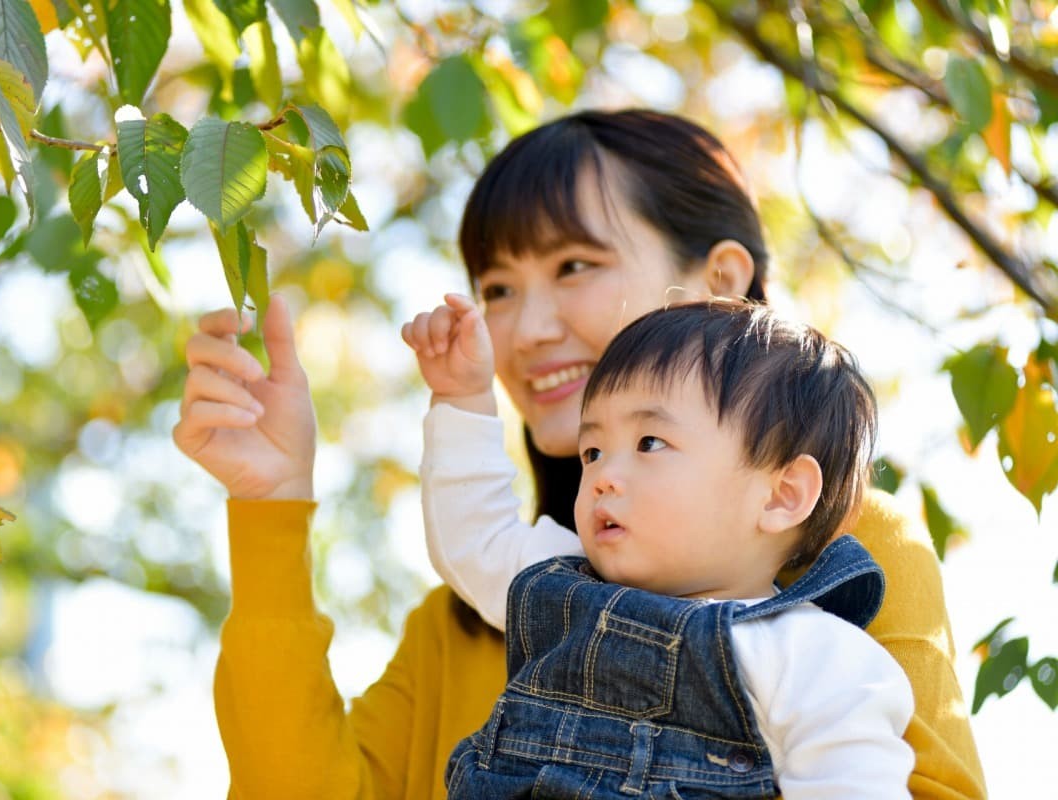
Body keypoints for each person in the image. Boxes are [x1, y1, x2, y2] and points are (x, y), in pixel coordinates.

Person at [172, 109, 986, 799]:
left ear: (720, 281)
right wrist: (271, 504)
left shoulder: (848, 555)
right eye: (496, 287)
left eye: (574, 266)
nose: (524, 331)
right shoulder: (475, 608)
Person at [404, 297, 913, 798]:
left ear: (781, 495)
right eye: (593, 451)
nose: (602, 476)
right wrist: (462, 397)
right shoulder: (563, 590)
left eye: (650, 442)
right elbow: (476, 538)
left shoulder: (813, 654)